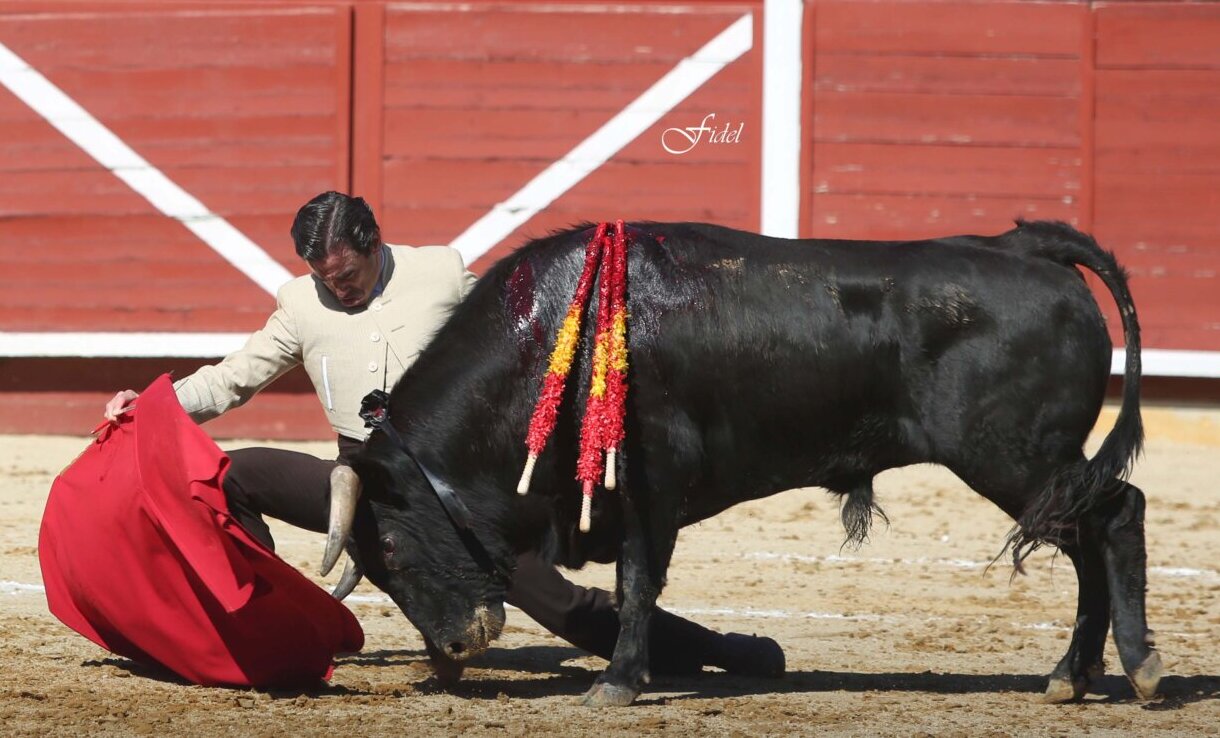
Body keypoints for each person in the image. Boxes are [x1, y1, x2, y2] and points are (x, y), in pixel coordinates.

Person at [104, 191, 784, 678]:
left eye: (347, 276)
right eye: (325, 280)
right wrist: (153, 405)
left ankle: (720, 651)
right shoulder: (300, 304)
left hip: (458, 492)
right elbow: (234, 378)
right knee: (233, 476)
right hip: (359, 484)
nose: (338, 291)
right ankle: (266, 628)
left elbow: (530, 340)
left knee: (560, 605)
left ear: (374, 244)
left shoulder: (440, 275)